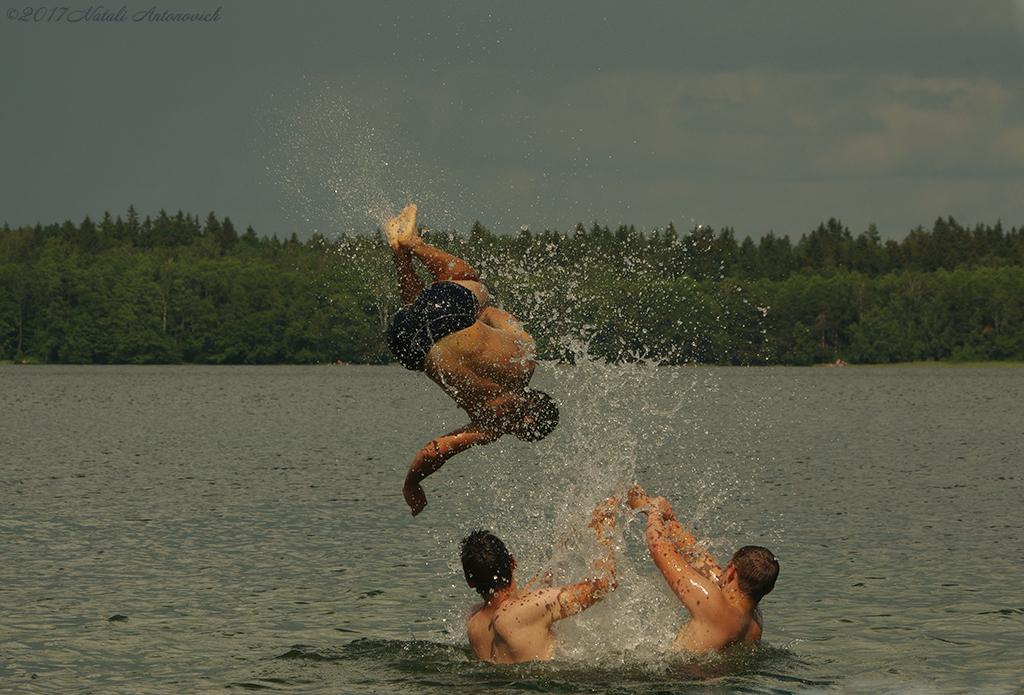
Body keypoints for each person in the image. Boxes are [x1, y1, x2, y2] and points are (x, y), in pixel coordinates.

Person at [383, 204, 559, 516]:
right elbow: (435, 450)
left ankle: (413, 244)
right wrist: (412, 485)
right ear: (528, 421)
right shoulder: (488, 426)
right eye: (521, 435)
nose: (514, 434)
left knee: (472, 282)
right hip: (407, 343)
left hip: (451, 315)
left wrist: (475, 324)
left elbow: (490, 312)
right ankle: (400, 250)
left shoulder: (526, 356)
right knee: (414, 308)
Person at [459, 496, 618, 663]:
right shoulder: (528, 610)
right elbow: (606, 583)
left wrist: (562, 552)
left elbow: (515, 603)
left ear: (470, 582)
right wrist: (604, 532)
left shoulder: (473, 621)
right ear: (513, 563)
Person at [627, 485, 778, 653]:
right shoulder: (754, 621)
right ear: (769, 589)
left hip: (680, 675)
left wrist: (655, 511)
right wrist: (649, 507)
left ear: (732, 572)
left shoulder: (712, 605)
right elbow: (696, 556)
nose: (720, 570)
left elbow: (658, 548)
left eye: (727, 566)